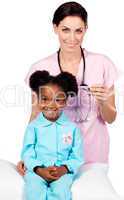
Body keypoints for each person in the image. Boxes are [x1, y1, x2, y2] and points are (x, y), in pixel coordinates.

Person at [0, 1, 119, 200]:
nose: (72, 38)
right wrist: (27, 157)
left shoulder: (102, 64)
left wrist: (104, 100)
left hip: (91, 159)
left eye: (78, 31)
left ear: (86, 29)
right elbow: (36, 115)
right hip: (49, 158)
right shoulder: (41, 67)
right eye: (65, 30)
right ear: (55, 28)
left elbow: (111, 118)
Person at [21, 70, 84, 200]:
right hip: (36, 172)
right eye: (45, 99)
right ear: (38, 100)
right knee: (33, 191)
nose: (51, 104)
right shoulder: (33, 127)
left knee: (61, 192)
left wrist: (64, 169)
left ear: (66, 101)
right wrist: (39, 169)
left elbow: (77, 157)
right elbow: (27, 153)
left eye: (58, 100)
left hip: (62, 173)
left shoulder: (72, 128)